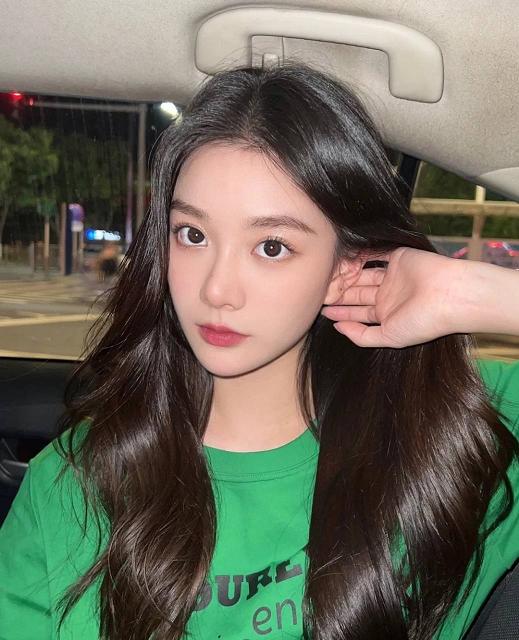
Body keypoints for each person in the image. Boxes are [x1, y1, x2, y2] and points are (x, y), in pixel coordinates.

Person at [0, 62, 518, 640]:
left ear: (344, 268)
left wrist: (475, 294)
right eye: (193, 235)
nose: (217, 290)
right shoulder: (69, 483)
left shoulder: (454, 433)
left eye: (271, 246)